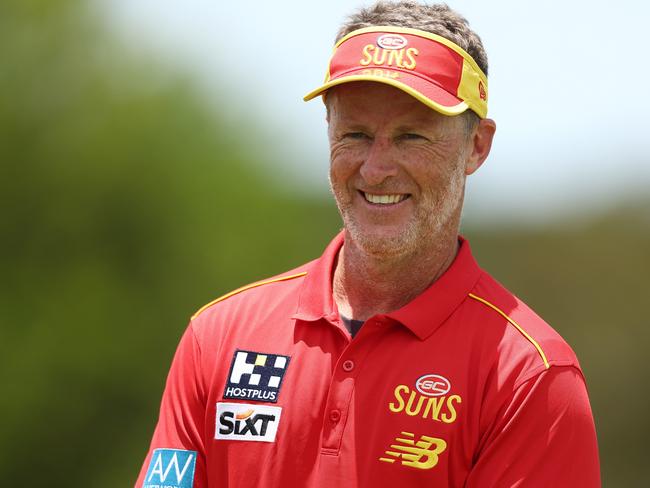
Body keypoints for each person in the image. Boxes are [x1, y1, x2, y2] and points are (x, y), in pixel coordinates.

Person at [135, 2, 600, 487]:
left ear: (476, 147)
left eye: (411, 136)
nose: (376, 169)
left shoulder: (530, 376)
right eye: (355, 134)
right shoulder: (218, 336)